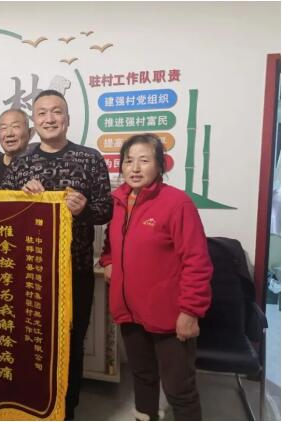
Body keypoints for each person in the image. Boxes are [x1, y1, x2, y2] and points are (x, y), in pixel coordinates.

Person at [1, 90, 113, 420]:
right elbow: (1, 214)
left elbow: (105, 210)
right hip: (28, 273)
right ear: (34, 121)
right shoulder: (21, 163)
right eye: (42, 113)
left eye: (56, 112)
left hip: (74, 270)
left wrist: (84, 209)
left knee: (71, 342)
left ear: (67, 118)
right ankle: (30, 406)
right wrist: (22, 199)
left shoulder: (89, 158)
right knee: (28, 340)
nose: (49, 118)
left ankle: (66, 409)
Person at [99, 133, 212, 421]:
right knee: (142, 377)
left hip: (169, 317)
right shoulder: (118, 201)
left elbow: (197, 261)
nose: (135, 168)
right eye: (129, 161)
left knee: (179, 390)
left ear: (160, 165)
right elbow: (110, 244)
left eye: (144, 160)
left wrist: (190, 311)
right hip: (130, 313)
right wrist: (108, 262)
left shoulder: (176, 203)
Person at [0, 108, 31, 188]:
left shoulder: (39, 167)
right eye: (3, 128)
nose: (9, 134)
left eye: (15, 126)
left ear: (29, 132)